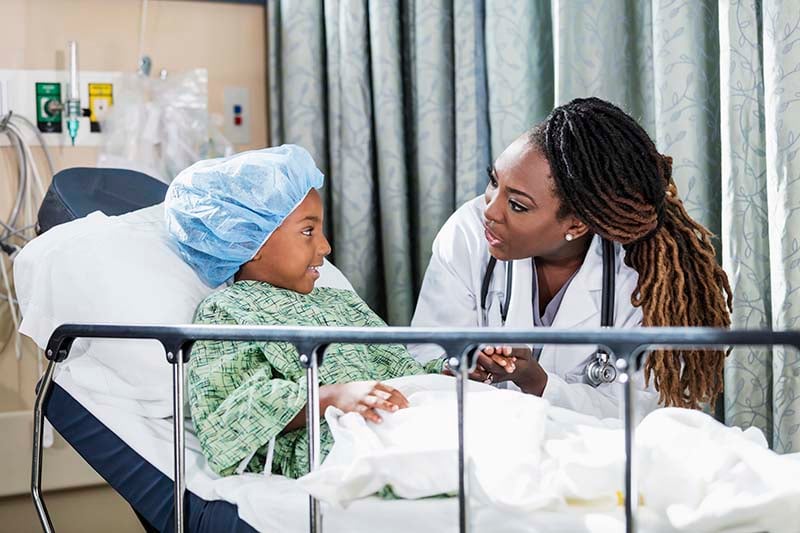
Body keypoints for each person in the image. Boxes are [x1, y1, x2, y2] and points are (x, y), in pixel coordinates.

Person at [410, 97, 732, 419]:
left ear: (576, 225)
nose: (490, 210)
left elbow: (647, 413)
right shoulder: (467, 233)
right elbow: (424, 357)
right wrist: (461, 369)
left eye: (518, 205)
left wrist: (537, 381)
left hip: (592, 456)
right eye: (494, 181)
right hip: (483, 438)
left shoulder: (640, 278)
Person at [165, 145, 442, 478]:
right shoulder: (226, 312)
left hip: (402, 416)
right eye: (308, 231)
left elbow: (404, 371)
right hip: (337, 442)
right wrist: (331, 396)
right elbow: (226, 419)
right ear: (249, 242)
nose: (325, 246)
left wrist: (457, 370)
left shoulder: (340, 302)